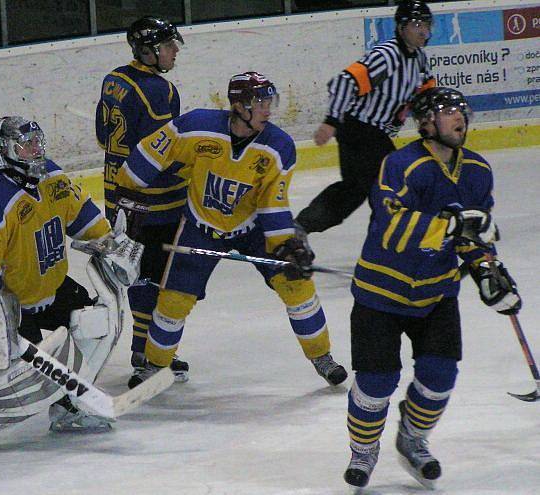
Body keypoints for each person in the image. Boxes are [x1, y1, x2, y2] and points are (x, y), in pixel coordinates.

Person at [0, 116, 143, 461]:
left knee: (94, 322)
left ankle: (69, 405)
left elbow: (82, 217)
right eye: (25, 146)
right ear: (6, 152)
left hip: (42, 286)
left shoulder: (52, 177)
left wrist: (108, 241)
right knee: (23, 377)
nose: (34, 151)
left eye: (37, 143)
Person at [114, 71, 348, 388]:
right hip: (200, 226)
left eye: (270, 101)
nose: (268, 109)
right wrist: (129, 190)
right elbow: (150, 153)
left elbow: (272, 203)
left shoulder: (279, 147)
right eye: (260, 102)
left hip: (252, 229)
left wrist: (285, 244)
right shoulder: (196, 126)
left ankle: (322, 357)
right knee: (173, 302)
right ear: (239, 105)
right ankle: (154, 366)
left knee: (297, 287)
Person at [342, 87, 522, 489]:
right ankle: (364, 449)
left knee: (439, 377)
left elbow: (475, 235)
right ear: (425, 123)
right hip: (380, 294)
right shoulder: (401, 165)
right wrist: (455, 225)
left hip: (436, 294)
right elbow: (392, 227)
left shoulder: (477, 169)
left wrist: (487, 270)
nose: (461, 117)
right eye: (448, 111)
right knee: (377, 383)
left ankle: (413, 436)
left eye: (462, 110)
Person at [95, 16, 189, 387]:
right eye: (168, 46)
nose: (175, 51)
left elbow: (105, 138)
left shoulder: (114, 79)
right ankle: (148, 352)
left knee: (139, 273)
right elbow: (163, 154)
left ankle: (143, 350)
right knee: (159, 275)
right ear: (147, 51)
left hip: (117, 195)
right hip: (155, 201)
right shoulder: (159, 92)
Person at [296, 0, 436, 234]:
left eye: (427, 24)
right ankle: (387, 236)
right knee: (387, 183)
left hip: (373, 133)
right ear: (401, 28)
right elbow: (345, 81)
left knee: (359, 189)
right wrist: (331, 121)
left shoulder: (419, 58)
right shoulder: (387, 55)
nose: (424, 31)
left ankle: (301, 227)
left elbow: (426, 90)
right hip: (359, 129)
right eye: (417, 24)